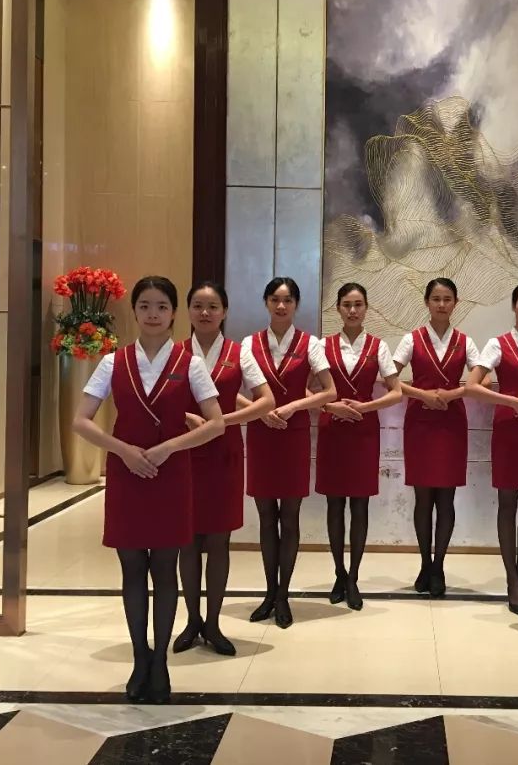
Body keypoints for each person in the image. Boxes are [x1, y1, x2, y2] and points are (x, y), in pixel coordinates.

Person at [73, 276, 225, 703]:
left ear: (173, 313)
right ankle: (140, 657)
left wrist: (167, 448)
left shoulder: (189, 363)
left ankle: (160, 662)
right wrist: (123, 450)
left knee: (164, 568)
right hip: (127, 475)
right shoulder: (113, 362)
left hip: (171, 475)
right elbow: (81, 420)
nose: (153, 314)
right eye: (144, 306)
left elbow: (216, 423)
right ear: (135, 312)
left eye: (161, 306)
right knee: (132, 570)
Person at [172, 281, 275, 656]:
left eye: (213, 306)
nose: (205, 313)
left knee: (218, 541)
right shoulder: (175, 353)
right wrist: (185, 418)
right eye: (198, 305)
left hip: (224, 456)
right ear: (188, 311)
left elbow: (267, 401)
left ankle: (213, 624)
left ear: (225, 312)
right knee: (186, 541)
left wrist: (223, 422)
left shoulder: (239, 353)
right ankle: (192, 621)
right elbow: (160, 403)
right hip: (184, 454)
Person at [242, 277, 337, 628]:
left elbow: (330, 391)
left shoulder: (310, 344)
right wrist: (258, 410)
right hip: (261, 434)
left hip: (293, 434)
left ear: (296, 304)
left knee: (290, 517)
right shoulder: (249, 344)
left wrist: (294, 405)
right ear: (266, 303)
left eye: (287, 300)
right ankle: (269, 593)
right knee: (266, 517)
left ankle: (283, 596)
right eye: (274, 299)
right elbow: (230, 390)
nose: (281, 306)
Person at [315, 283, 403, 611]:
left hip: (365, 432)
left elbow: (396, 391)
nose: (352, 311)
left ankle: (353, 576)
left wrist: (365, 407)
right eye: (347, 305)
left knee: (360, 505)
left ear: (366, 308)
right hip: (332, 430)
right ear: (337, 308)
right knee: (334, 504)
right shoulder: (322, 346)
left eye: (358, 305)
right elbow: (307, 389)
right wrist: (330, 406)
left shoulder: (378, 347)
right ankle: (338, 573)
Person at [393, 277, 480, 598]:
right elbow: (390, 378)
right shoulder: (411, 339)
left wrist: (453, 393)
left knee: (446, 498)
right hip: (420, 422)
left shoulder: (465, 341)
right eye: (436, 299)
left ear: (456, 303)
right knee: (422, 498)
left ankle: (439, 565)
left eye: (447, 299)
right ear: (427, 302)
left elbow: (479, 381)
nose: (442, 304)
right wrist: (423, 395)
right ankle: (424, 563)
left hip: (451, 423)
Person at [467, 282, 518, 615]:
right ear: (514, 306)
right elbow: (473, 386)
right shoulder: (497, 344)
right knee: (507, 503)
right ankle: (511, 580)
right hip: (508, 429)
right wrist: (512, 401)